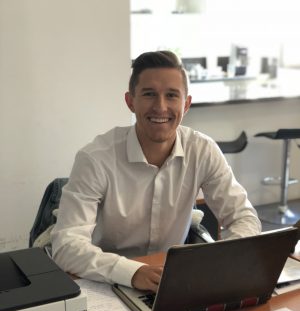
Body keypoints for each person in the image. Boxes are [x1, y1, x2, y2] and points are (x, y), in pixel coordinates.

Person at [51, 50, 261, 293]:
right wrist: (132, 272)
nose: (161, 107)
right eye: (149, 94)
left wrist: (220, 262)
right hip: (106, 280)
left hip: (174, 280)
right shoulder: (96, 158)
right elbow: (66, 246)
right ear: (131, 101)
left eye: (172, 95)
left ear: (187, 104)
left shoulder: (202, 150)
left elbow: (244, 217)